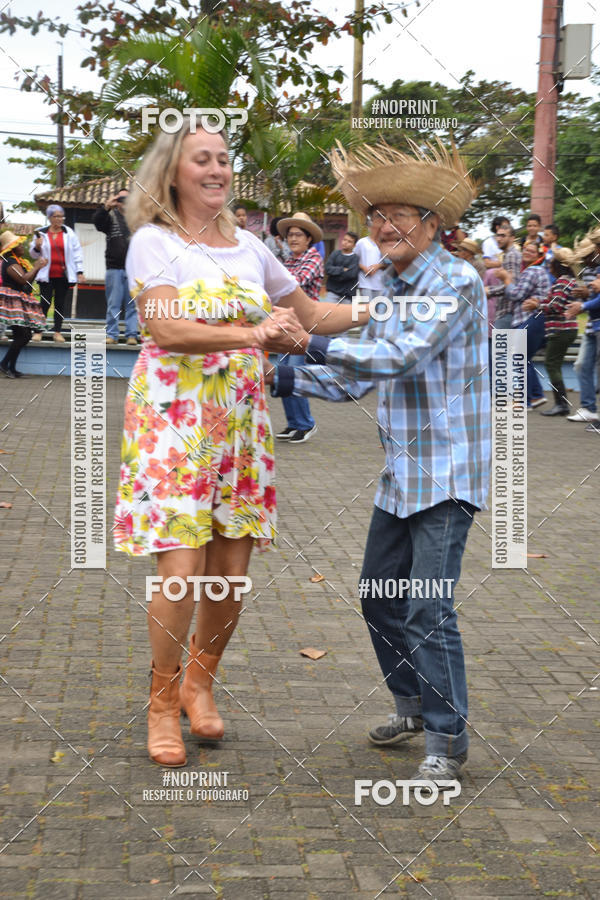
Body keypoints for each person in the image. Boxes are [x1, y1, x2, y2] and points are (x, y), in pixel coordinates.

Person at [114, 120, 363, 767]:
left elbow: (311, 316)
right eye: (204, 159)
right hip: (175, 421)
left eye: (225, 159)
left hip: (242, 425)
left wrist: (389, 307)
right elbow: (166, 326)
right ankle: (162, 701)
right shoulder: (153, 241)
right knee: (181, 568)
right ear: (174, 170)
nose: (218, 169)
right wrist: (256, 334)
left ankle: (201, 684)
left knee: (230, 571)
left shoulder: (253, 247)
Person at [266, 139, 490, 781]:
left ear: (433, 224)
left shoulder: (455, 278)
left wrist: (308, 339)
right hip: (404, 472)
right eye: (375, 216)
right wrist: (278, 377)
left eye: (400, 214)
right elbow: (357, 379)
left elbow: (400, 358)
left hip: (450, 471)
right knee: (377, 595)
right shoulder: (384, 283)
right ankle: (414, 706)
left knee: (425, 603)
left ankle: (446, 742)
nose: (384, 227)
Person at [274, 211, 325, 443]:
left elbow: (295, 283)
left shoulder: (313, 258)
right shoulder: (289, 260)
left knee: (295, 373)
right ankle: (293, 423)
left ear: (308, 238)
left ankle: (306, 423)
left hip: (306, 327)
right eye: (290, 235)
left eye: (298, 235)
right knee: (282, 373)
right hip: (288, 325)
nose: (292, 239)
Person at [494, 240, 551, 408]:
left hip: (528, 318)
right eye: (525, 250)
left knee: (519, 358)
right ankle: (536, 395)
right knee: (524, 359)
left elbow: (516, 294)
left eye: (531, 251)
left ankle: (524, 400)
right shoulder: (539, 271)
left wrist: (506, 279)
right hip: (536, 319)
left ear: (539, 255)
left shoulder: (532, 271)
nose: (527, 253)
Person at [29, 204, 84, 343]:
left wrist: (80, 271)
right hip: (46, 275)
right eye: (56, 216)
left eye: (61, 216)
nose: (60, 219)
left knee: (60, 303)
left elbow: (77, 252)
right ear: (49, 218)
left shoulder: (68, 232)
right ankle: (38, 331)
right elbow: (33, 255)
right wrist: (37, 246)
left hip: (63, 275)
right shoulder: (40, 233)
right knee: (44, 303)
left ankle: (57, 332)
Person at [93, 188, 138, 345]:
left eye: (127, 199)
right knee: (113, 304)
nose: (124, 202)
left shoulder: (138, 218)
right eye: (121, 199)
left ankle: (132, 335)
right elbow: (98, 223)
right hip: (114, 268)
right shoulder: (110, 217)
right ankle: (112, 335)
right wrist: (107, 206)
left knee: (133, 305)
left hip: (134, 270)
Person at [537, 247, 578, 416]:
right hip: (566, 329)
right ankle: (561, 404)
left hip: (560, 329)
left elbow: (556, 305)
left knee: (551, 364)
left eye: (550, 263)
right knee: (554, 364)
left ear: (556, 265)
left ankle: (561, 404)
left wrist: (537, 305)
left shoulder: (562, 281)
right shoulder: (568, 280)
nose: (549, 266)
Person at [0, 231, 47, 377]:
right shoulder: (10, 262)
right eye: (19, 244)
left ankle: (11, 368)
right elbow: (22, 280)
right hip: (12, 302)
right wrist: (36, 267)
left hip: (19, 301)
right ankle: (4, 364)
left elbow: (26, 285)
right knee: (24, 335)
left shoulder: (18, 262)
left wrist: (36, 268)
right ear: (13, 247)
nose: (22, 246)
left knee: (22, 335)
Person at [564, 234, 600, 425]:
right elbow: (590, 300)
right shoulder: (587, 271)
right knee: (581, 365)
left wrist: (584, 304)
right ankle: (589, 408)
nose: (588, 258)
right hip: (592, 326)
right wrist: (581, 302)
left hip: (595, 324)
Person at [486, 225, 522, 329]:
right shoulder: (509, 255)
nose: (498, 239)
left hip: (508, 312)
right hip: (508, 312)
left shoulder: (512, 255)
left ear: (512, 238)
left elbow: (512, 285)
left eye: (503, 236)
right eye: (497, 236)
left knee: (502, 346)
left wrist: (489, 291)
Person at [355, 220, 388, 300]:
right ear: (369, 228)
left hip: (380, 282)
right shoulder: (362, 242)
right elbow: (354, 260)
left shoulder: (385, 243)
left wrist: (378, 266)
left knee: (378, 309)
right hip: (364, 281)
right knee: (367, 308)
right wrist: (364, 268)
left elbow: (390, 263)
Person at [324, 231, 359, 301]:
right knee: (328, 311)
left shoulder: (355, 258)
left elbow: (351, 274)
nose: (345, 242)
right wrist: (342, 270)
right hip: (332, 292)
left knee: (345, 312)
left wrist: (334, 274)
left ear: (354, 245)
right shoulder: (335, 254)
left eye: (349, 241)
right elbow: (327, 269)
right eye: (344, 240)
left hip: (347, 295)